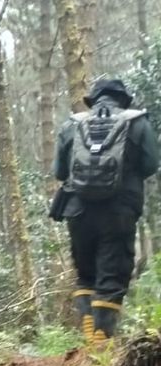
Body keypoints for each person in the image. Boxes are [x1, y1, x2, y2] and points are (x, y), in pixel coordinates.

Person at [54, 78, 159, 346]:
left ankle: (91, 336)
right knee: (112, 273)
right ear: (122, 98)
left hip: (77, 211)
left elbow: (59, 172)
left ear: (95, 99)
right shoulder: (137, 122)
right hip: (119, 210)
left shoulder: (73, 124)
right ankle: (103, 342)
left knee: (86, 274)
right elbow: (150, 165)